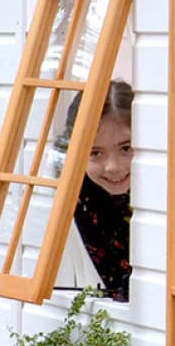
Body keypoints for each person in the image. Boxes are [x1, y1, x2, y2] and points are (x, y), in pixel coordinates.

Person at [56, 80, 134, 302]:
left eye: (126, 148)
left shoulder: (167, 189)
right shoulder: (77, 198)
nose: (113, 166)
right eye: (96, 153)